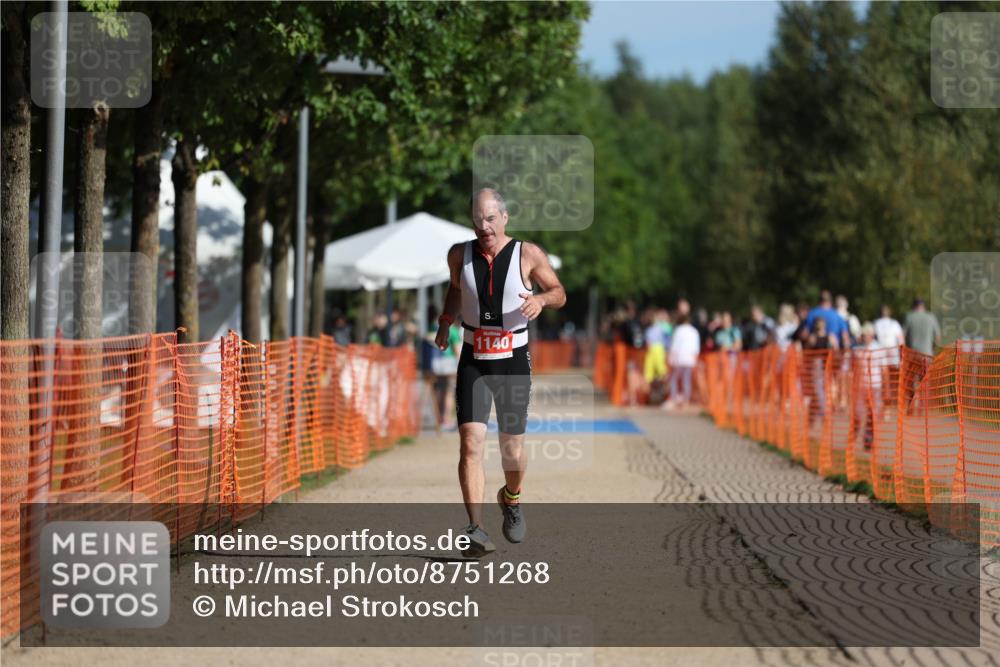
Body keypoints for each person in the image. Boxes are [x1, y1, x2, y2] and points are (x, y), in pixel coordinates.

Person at [435, 188, 566, 556]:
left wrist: (541, 299)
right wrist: (446, 320)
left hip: (512, 359)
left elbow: (559, 292)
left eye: (491, 219)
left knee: (512, 449)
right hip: (473, 358)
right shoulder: (458, 255)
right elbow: (456, 288)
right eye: (478, 220)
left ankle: (511, 497)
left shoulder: (528, 254)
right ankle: (475, 529)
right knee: (470, 443)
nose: (484, 227)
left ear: (505, 218)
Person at [423, 305, 462, 434]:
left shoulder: (433, 327)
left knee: (438, 390)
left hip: (434, 364)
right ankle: (446, 419)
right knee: (448, 391)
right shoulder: (454, 331)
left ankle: (439, 419)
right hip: (448, 364)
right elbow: (457, 350)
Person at [667, 313, 700, 408]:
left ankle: (673, 397)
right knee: (687, 379)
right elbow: (696, 348)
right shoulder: (694, 331)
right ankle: (686, 399)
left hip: (679, 359)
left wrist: (671, 358)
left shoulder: (678, 330)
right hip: (689, 359)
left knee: (674, 379)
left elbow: (674, 346)